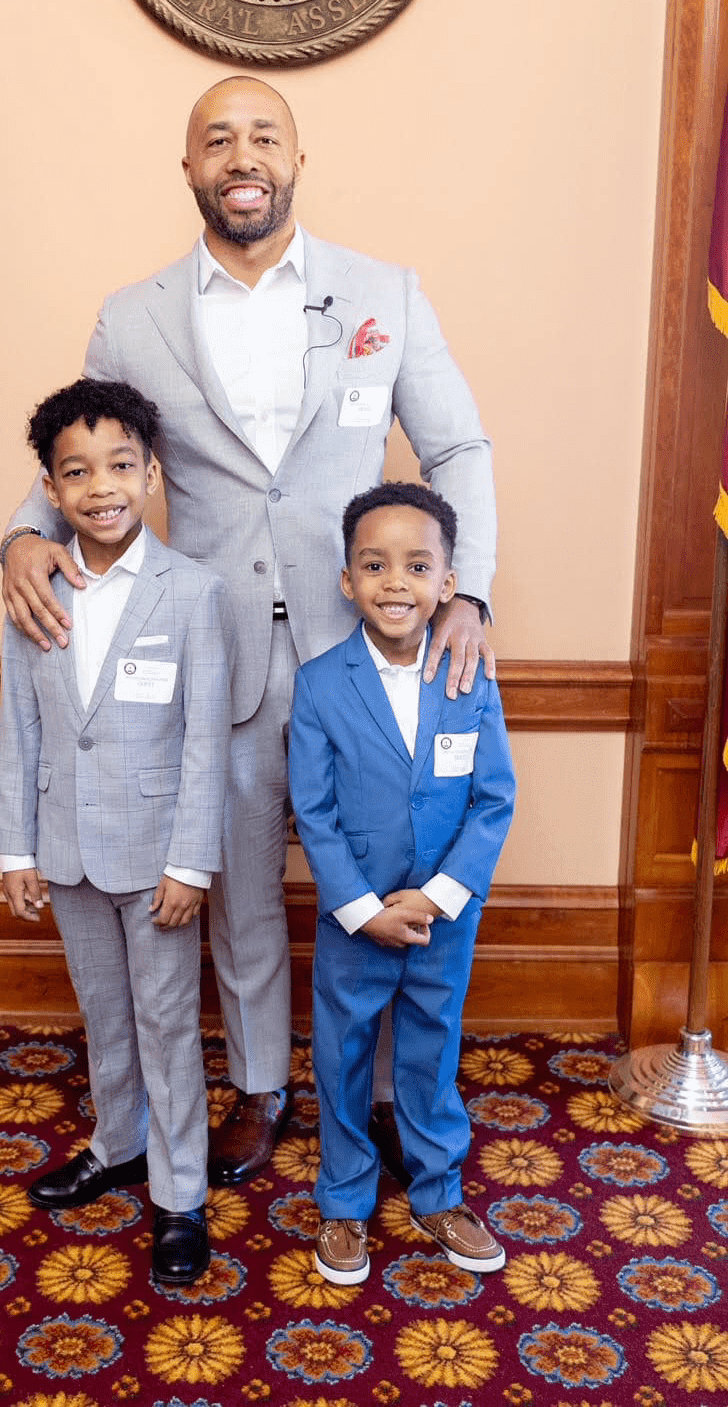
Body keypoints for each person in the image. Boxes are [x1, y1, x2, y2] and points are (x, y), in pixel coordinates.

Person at [0, 76, 497, 1185]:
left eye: (262, 135)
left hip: (365, 655)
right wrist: (21, 537)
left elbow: (459, 451)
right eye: (216, 138)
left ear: (296, 160)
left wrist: (470, 595)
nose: (242, 154)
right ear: (187, 167)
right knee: (233, 886)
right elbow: (83, 448)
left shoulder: (385, 294)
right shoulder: (133, 316)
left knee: (378, 863)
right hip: (201, 656)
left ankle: (374, 1092)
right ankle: (263, 1085)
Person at [0, 378, 232, 1286]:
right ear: (51, 491)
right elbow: (23, 723)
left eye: (122, 466)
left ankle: (179, 1194)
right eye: (77, 471)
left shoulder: (192, 593)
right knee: (104, 1014)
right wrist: (17, 846)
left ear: (154, 475)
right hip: (68, 847)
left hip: (157, 857)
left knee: (168, 1020)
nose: (102, 487)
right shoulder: (34, 585)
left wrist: (191, 863)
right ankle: (118, 1141)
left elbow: (206, 738)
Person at [288, 482, 515, 1283]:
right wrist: (360, 909)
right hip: (356, 918)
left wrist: (440, 894)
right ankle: (345, 1203)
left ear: (447, 583)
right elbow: (311, 812)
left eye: (417, 566)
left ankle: (439, 1190)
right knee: (342, 1055)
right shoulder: (319, 684)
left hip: (442, 917)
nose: (395, 582)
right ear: (347, 580)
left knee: (431, 1049)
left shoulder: (470, 674)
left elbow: (494, 800)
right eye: (374, 565)